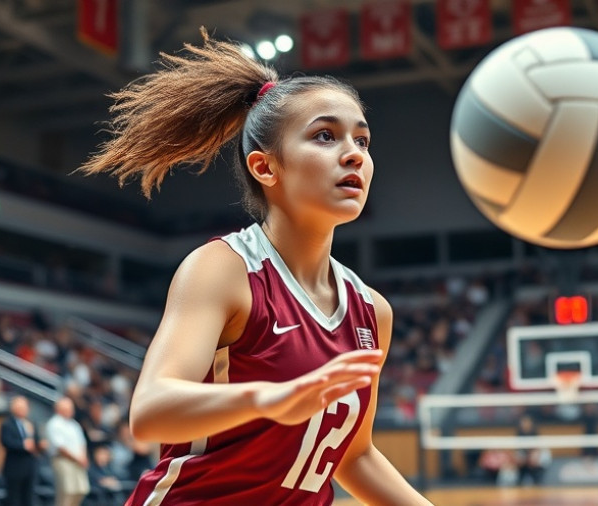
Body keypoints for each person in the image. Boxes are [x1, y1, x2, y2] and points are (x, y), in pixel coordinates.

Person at [78, 29, 432, 505]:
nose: (354, 154)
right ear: (266, 168)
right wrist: (268, 399)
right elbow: (150, 410)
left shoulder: (373, 312)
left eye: (363, 140)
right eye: (325, 136)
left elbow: (354, 454)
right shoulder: (222, 269)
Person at [0, 396, 44, 506]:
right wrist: (22, 445)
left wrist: (40, 445)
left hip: (29, 466)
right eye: (20, 407)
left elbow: (35, 441)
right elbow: (6, 441)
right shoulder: (7, 424)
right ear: (13, 408)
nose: (23, 410)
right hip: (14, 467)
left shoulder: (30, 424)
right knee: (14, 499)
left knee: (28, 498)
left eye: (25, 408)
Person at [45, 397, 90, 506]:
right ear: (59, 409)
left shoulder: (74, 424)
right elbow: (60, 447)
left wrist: (83, 457)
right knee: (67, 492)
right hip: (63, 461)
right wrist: (78, 458)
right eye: (68, 408)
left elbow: (82, 443)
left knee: (81, 490)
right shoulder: (54, 424)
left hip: (78, 461)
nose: (71, 410)